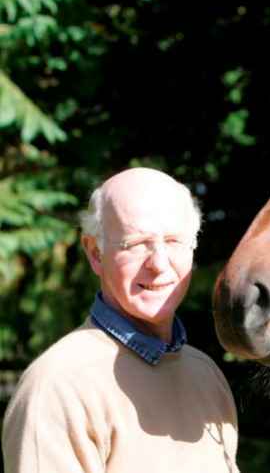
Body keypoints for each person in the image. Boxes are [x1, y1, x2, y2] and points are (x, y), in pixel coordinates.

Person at [2, 168, 239, 473]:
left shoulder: (205, 375)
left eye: (174, 241)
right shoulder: (57, 387)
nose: (159, 263)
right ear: (95, 254)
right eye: (136, 243)